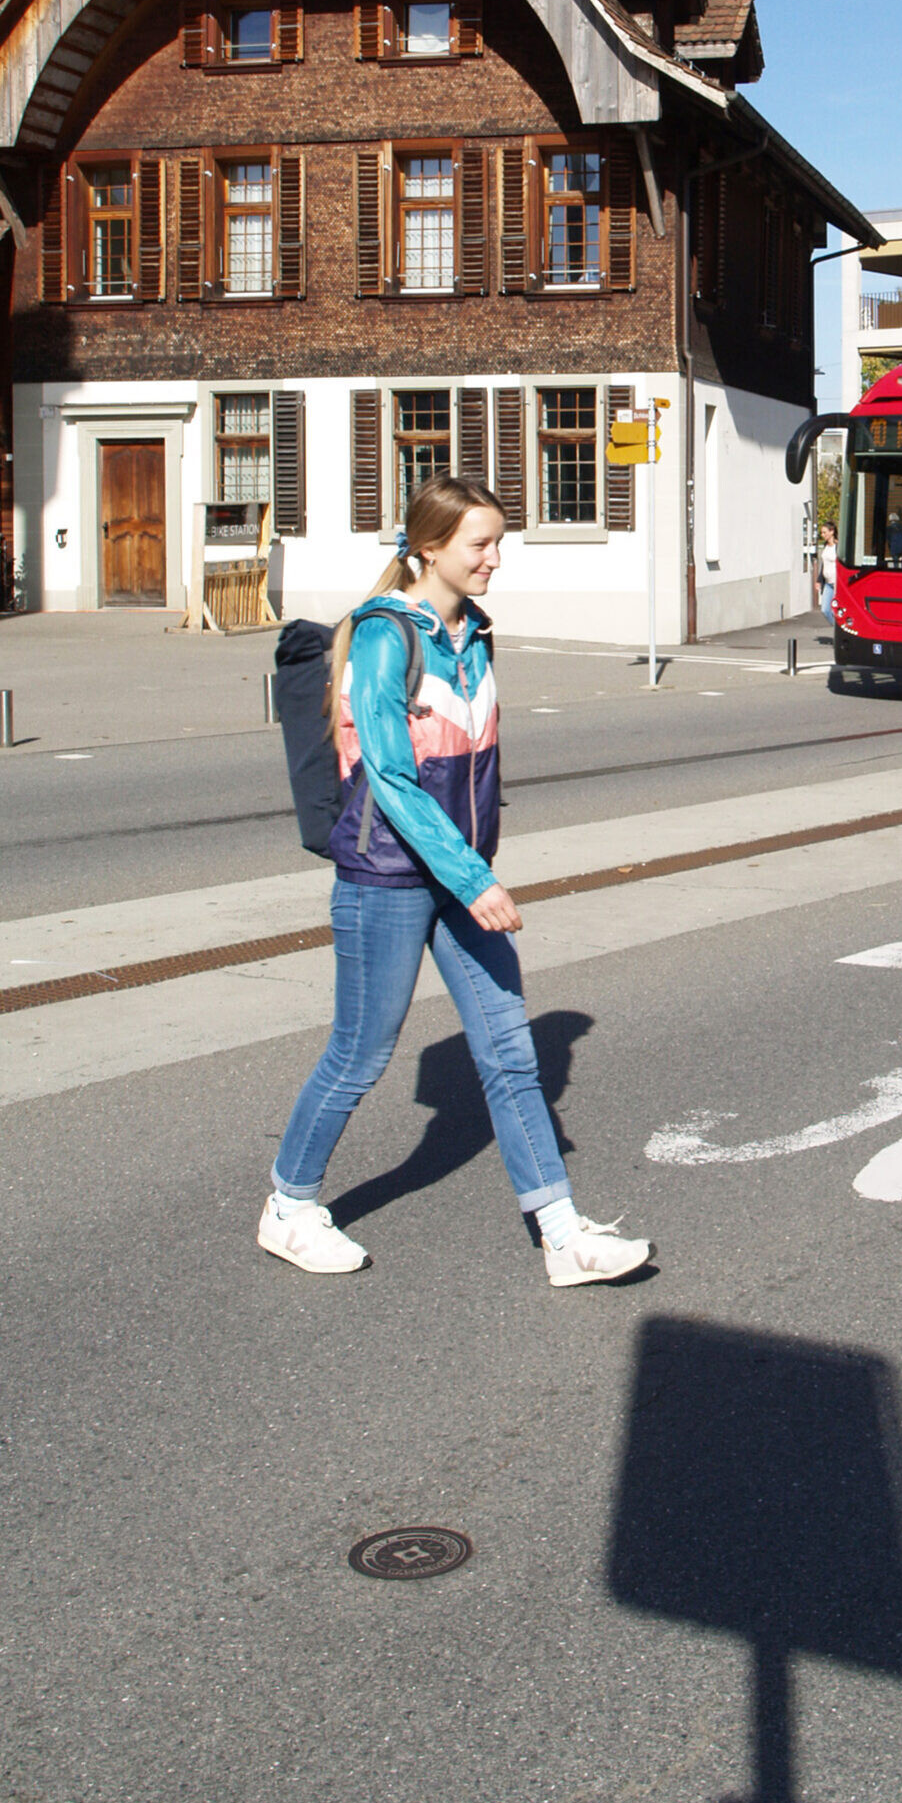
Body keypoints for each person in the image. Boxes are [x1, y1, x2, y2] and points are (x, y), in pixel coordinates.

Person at [258, 474, 652, 1286]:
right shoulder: (383, 639)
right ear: (428, 547)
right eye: (479, 544)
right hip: (388, 877)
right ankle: (289, 1206)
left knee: (510, 1051)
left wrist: (472, 873)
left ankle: (560, 1233)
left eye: (499, 542)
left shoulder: (472, 633)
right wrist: (475, 879)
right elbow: (393, 780)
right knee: (360, 1054)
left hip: (459, 876)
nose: (495, 559)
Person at [816, 521, 837, 620]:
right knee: (825, 609)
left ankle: (840, 631)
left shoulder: (838, 547)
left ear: (831, 531)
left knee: (836, 610)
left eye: (824, 532)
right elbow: (824, 564)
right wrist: (819, 580)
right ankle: (836, 628)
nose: (822, 535)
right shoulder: (826, 546)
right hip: (828, 583)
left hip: (837, 583)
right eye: (822, 533)